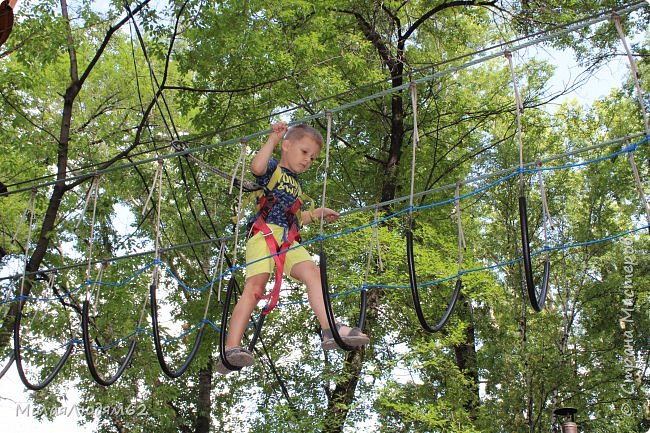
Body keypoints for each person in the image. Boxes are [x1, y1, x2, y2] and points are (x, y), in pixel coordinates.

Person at [217, 122, 369, 374]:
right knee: (255, 288)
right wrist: (273, 140)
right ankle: (230, 348)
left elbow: (295, 217)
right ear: (287, 146)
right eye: (304, 152)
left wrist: (315, 214)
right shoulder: (274, 169)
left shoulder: (296, 185)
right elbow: (256, 167)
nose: (308, 160)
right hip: (264, 234)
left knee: (313, 273)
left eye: (313, 157)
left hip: (288, 238)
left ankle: (330, 328)